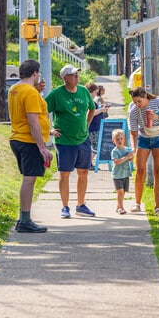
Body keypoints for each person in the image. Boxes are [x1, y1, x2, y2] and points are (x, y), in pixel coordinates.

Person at [45, 64, 97, 218]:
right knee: (65, 174)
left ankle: (80, 205)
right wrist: (49, 130)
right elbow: (41, 111)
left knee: (83, 172)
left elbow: (92, 108)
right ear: (65, 78)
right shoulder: (56, 94)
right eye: (73, 75)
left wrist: (86, 125)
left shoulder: (83, 91)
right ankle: (65, 207)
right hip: (65, 141)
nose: (77, 77)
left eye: (77, 74)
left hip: (83, 140)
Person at [8, 59, 52, 233]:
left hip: (17, 138)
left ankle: (24, 219)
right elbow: (33, 122)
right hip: (29, 140)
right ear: (35, 73)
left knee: (29, 178)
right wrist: (42, 147)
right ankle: (25, 220)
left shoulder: (14, 89)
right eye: (38, 73)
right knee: (29, 179)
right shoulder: (31, 93)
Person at [127, 87, 159, 215]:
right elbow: (133, 132)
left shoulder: (158, 102)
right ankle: (137, 203)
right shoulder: (134, 111)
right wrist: (134, 147)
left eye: (139, 101)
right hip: (143, 139)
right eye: (135, 102)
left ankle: (157, 206)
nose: (137, 104)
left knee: (158, 171)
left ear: (146, 97)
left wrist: (157, 116)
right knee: (140, 170)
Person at [86, 82, 109, 169]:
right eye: (95, 92)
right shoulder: (89, 101)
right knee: (96, 146)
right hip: (93, 127)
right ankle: (88, 163)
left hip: (95, 126)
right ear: (90, 91)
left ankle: (89, 163)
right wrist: (101, 109)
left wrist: (101, 107)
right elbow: (91, 113)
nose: (95, 95)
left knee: (94, 146)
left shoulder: (90, 100)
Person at [111, 129, 134, 214]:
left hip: (125, 174)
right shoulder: (115, 151)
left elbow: (131, 159)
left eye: (121, 138)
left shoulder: (126, 150)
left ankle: (118, 206)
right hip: (117, 175)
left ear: (124, 139)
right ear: (113, 140)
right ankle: (121, 208)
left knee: (123, 192)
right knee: (120, 191)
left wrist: (131, 155)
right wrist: (127, 157)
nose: (120, 141)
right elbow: (117, 162)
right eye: (117, 139)